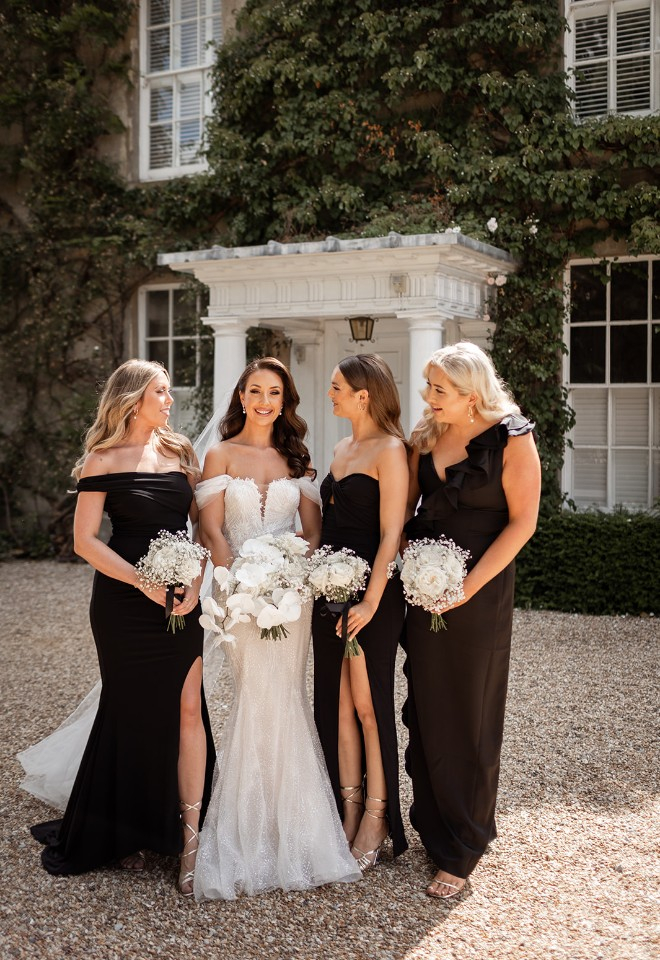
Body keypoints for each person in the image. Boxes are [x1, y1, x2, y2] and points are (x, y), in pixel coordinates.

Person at [28, 359, 215, 895]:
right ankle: (127, 828)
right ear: (134, 399)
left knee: (187, 708)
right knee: (130, 710)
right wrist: (143, 583)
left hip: (183, 598)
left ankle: (189, 839)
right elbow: (86, 540)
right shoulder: (101, 459)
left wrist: (194, 585)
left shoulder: (182, 455)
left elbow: (203, 530)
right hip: (124, 601)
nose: (169, 400)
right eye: (162, 391)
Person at [193, 357, 361, 900]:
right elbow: (212, 528)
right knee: (255, 700)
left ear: (284, 400)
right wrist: (235, 581)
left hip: (291, 599)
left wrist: (290, 575)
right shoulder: (219, 454)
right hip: (242, 596)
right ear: (241, 395)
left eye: (275, 393)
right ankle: (248, 836)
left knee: (286, 698)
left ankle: (300, 835)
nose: (265, 401)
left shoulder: (297, 460)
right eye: (256, 391)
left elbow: (312, 533)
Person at [402, 341, 541, 899]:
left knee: (472, 711)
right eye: (428, 387)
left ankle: (464, 847)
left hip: (477, 594)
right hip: (424, 588)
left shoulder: (514, 437)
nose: (428, 397)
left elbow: (522, 524)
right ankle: (436, 828)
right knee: (428, 705)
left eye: (439, 390)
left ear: (472, 393)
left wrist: (467, 588)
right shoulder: (428, 433)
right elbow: (403, 506)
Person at [312, 354, 409, 871]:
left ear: (363, 394)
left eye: (337, 387)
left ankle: (377, 815)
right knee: (337, 703)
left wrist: (371, 600)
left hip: (374, 593)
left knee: (369, 704)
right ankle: (346, 810)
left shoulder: (392, 451)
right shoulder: (340, 447)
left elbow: (392, 533)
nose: (331, 394)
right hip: (328, 589)